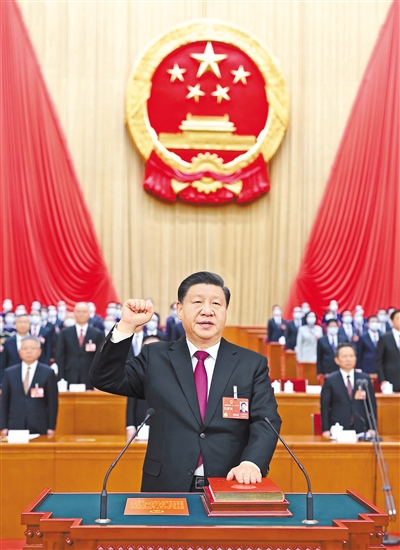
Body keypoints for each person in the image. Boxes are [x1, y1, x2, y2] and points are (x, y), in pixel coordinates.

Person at [90, 271, 281, 493]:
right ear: (180, 310)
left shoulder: (251, 364)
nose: (207, 310)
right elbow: (105, 378)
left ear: (225, 311)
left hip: (228, 484)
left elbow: (266, 421)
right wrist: (126, 326)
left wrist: (251, 463)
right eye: (198, 302)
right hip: (166, 486)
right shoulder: (155, 357)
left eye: (216, 304)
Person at [1, 336, 58, 435]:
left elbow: (52, 403)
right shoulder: (9, 373)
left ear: (39, 351)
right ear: (19, 352)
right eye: (25, 348)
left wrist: (51, 427)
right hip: (14, 425)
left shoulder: (48, 373)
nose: (29, 351)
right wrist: (3, 426)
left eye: (33, 348)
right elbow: (4, 402)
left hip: (40, 426)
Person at [320, 343, 377, 437]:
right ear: (337, 360)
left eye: (351, 356)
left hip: (361, 428)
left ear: (355, 358)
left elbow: (371, 405)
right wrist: (325, 429)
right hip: (338, 428)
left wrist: (373, 428)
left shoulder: (364, 379)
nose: (348, 359)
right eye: (344, 356)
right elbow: (325, 407)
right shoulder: (330, 380)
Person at [55, 302, 104, 389]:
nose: (81, 314)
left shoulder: (97, 333)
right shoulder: (65, 333)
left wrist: (98, 379)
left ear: (89, 314)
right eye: (78, 311)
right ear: (74, 313)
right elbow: (60, 356)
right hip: (69, 375)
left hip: (89, 377)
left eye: (84, 312)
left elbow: (100, 358)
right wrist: (61, 378)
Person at [376, 309, 400, 392]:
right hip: (391, 380)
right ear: (392, 321)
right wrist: (382, 380)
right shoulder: (385, 338)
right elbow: (379, 361)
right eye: (398, 318)